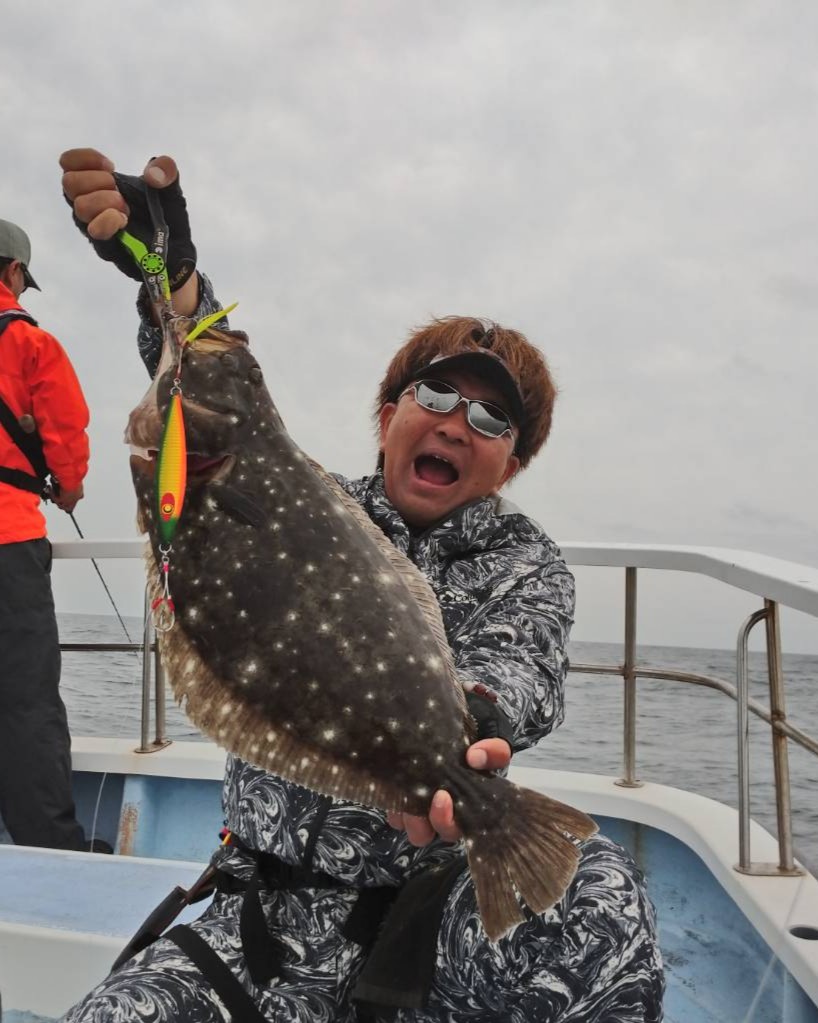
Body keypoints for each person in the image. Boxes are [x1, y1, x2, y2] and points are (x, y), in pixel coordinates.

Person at [59, 149, 664, 1022]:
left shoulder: (529, 565)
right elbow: (210, 380)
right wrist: (175, 283)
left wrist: (479, 727)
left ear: (513, 461)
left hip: (421, 914)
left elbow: (518, 671)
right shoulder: (301, 498)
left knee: (602, 903)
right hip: (255, 915)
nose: (458, 423)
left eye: (493, 417)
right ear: (389, 413)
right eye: (437, 393)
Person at [0, 218, 94, 851]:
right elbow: (66, 433)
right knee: (27, 700)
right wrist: (68, 486)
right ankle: (48, 851)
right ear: (12, 273)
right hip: (8, 540)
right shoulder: (29, 343)